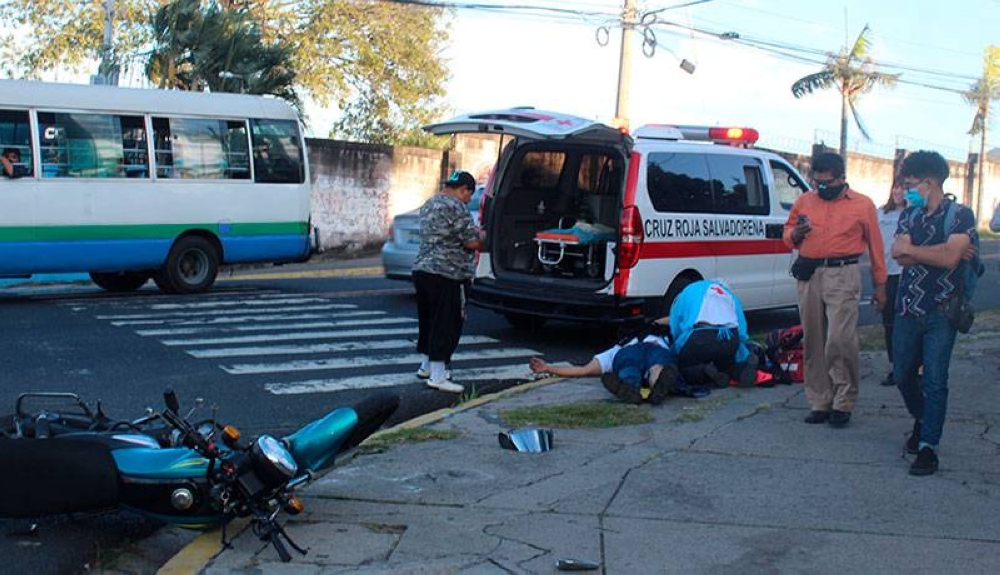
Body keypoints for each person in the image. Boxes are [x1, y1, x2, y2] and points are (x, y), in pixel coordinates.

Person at [783, 152, 887, 428]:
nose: (822, 188)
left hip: (843, 273)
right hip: (809, 274)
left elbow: (876, 247)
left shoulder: (862, 205)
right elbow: (787, 234)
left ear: (842, 178)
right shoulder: (805, 201)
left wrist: (880, 285)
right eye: (817, 183)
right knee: (813, 339)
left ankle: (843, 400)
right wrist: (795, 234)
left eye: (827, 183)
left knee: (840, 339)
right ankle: (820, 401)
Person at [890, 150, 977, 476]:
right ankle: (924, 418)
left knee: (935, 379)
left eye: (910, 184)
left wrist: (915, 250)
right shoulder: (909, 215)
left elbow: (950, 259)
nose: (905, 190)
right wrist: (937, 251)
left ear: (928, 183)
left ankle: (928, 447)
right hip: (908, 307)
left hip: (943, 309)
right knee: (902, 374)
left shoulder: (960, 215)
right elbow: (898, 254)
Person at [413, 171, 484, 394]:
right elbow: (471, 243)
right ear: (463, 190)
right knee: (446, 323)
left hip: (422, 270)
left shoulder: (429, 203)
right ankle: (438, 375)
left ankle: (425, 366)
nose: (468, 200)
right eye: (468, 195)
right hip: (448, 273)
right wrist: (484, 237)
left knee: (428, 321)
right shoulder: (457, 207)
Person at [528, 327, 680, 405]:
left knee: (628, 368)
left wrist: (549, 368)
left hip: (628, 353)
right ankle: (658, 385)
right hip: (657, 348)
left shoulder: (617, 348)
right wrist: (548, 368)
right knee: (657, 368)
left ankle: (630, 387)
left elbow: (583, 370)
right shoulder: (663, 338)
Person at [669, 279, 757, 388]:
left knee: (684, 367)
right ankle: (740, 371)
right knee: (726, 365)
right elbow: (742, 329)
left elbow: (675, 323)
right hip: (730, 336)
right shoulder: (729, 294)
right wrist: (741, 349)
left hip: (700, 336)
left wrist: (676, 346)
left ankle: (704, 372)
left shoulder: (687, 291)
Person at [877, 180, 907, 387]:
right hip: (886, 274)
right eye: (896, 187)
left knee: (907, 323)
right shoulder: (881, 213)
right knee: (889, 323)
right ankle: (895, 366)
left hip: (906, 273)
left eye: (903, 187)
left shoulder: (913, 213)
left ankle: (912, 366)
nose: (898, 191)